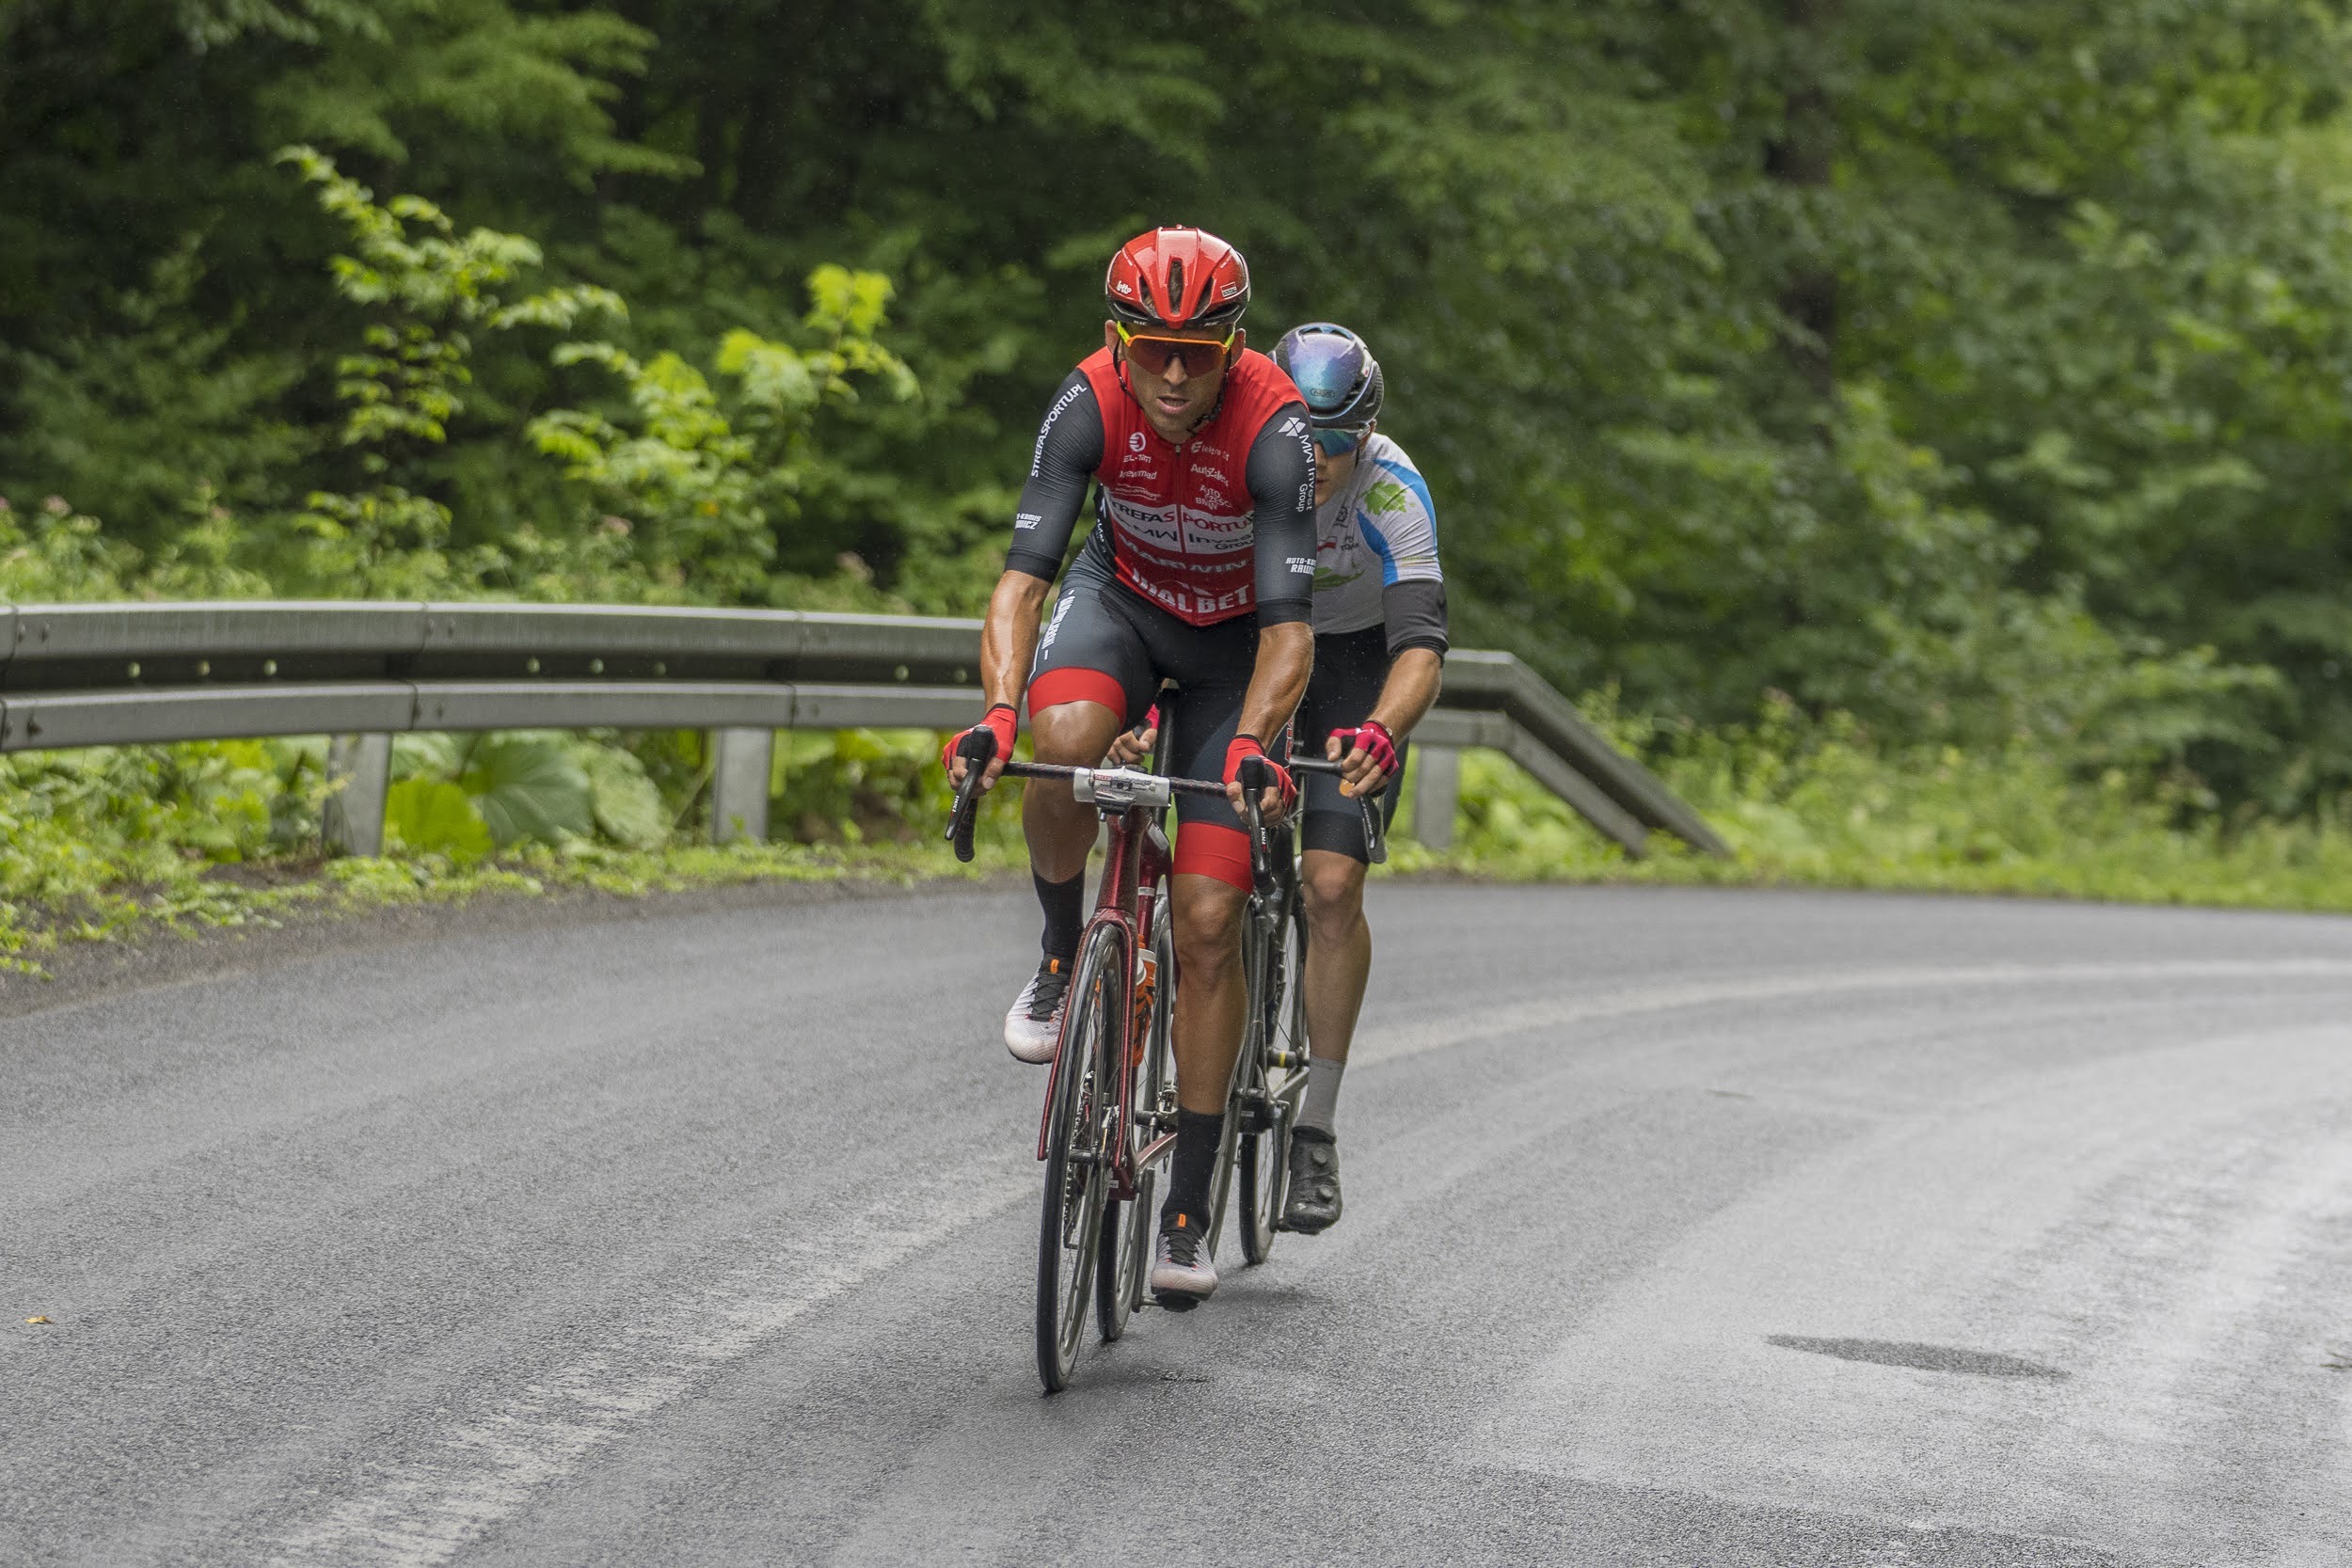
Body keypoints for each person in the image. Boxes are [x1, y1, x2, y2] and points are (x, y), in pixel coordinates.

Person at [943, 227, 1317, 1308]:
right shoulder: (1088, 400)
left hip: (1235, 653)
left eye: (1198, 353)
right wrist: (999, 711)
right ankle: (1064, 951)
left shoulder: (1277, 428)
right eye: (1153, 349)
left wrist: (1250, 741)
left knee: (1204, 919)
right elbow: (1023, 581)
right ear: (1118, 341)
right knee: (1060, 744)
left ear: (1234, 349)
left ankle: (1188, 1202)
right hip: (1122, 605)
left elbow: (1290, 632)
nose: (1173, 374)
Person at [1112, 322, 1446, 1236]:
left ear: (1367, 436)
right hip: (1249, 648)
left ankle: (1317, 1128)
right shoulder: (1241, 451)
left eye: (1341, 440)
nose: (1321, 458)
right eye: (1309, 434)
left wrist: (1381, 727)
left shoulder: (1391, 488)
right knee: (1199, 863)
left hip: (1353, 667)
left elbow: (1421, 643)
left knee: (1331, 886)